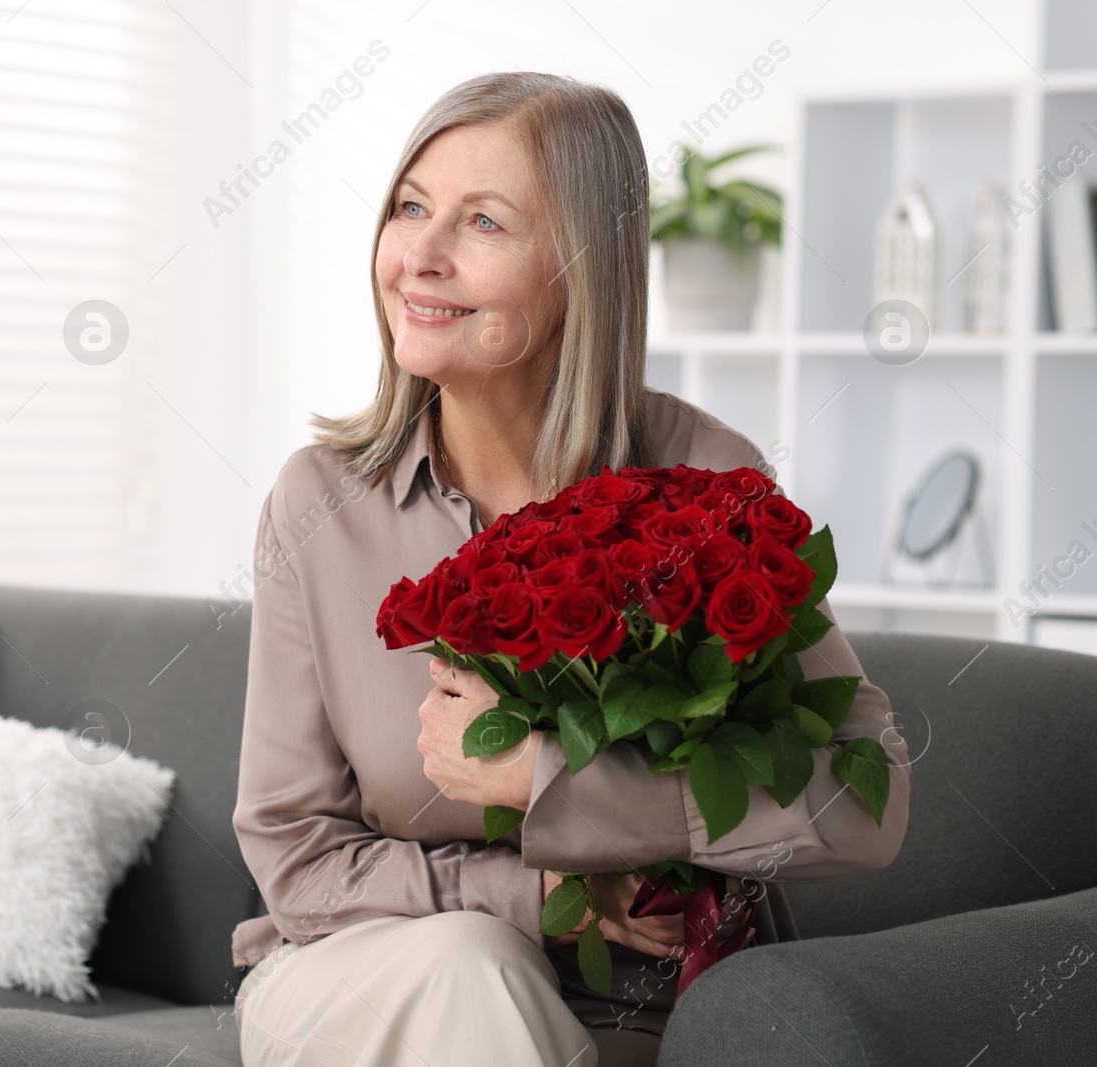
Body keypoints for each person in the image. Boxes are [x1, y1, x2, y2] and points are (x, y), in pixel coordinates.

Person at [229, 71, 910, 1067]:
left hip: (647, 1010)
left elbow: (868, 803)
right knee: (469, 964)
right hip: (359, 976)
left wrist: (559, 784)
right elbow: (296, 857)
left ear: (583, 265)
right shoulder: (316, 503)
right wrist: (544, 893)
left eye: (483, 223)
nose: (418, 254)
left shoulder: (708, 481)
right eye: (409, 207)